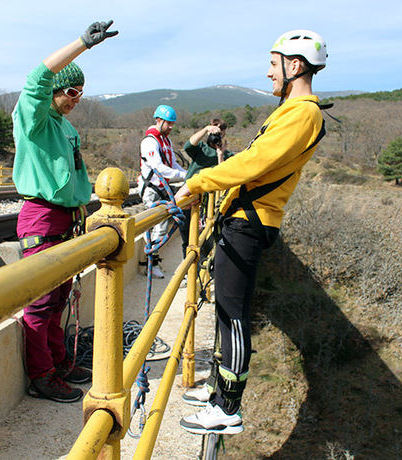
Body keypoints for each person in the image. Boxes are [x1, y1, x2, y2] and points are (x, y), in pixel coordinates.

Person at [176, 29, 329, 434]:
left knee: (234, 315)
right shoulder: (291, 112)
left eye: (272, 64)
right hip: (242, 219)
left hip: (251, 222)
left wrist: (197, 183)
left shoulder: (303, 113)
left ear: (294, 65)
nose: (268, 73)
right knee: (226, 311)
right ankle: (217, 390)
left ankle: (227, 408)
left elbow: (254, 162)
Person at [12, 20, 118, 403]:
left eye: (81, 93)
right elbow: (36, 80)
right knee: (40, 303)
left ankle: (58, 361)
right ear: (55, 92)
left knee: (59, 298)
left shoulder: (67, 129)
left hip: (69, 219)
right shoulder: (35, 121)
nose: (76, 98)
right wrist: (82, 45)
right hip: (42, 217)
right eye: (71, 91)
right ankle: (41, 376)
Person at [137, 104, 187, 279]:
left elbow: (172, 164)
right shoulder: (150, 142)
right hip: (152, 189)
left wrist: (187, 174)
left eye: (173, 124)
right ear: (159, 120)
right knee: (153, 226)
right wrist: (182, 175)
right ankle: (150, 264)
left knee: (162, 226)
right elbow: (159, 168)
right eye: (168, 123)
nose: (171, 127)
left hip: (162, 188)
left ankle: (152, 262)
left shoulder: (166, 141)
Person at [178, 118, 234, 257]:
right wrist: (205, 129)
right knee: (186, 235)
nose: (217, 136)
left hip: (208, 201)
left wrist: (220, 156)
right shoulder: (201, 148)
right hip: (189, 196)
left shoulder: (226, 154)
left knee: (203, 236)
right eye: (215, 133)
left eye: (220, 134)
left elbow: (223, 175)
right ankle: (188, 272)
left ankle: (198, 269)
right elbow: (188, 146)